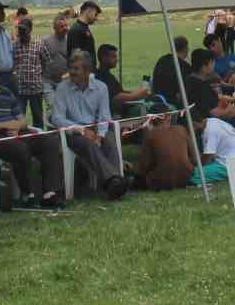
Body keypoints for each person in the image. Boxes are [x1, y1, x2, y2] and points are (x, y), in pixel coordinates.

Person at [49, 51, 128, 200]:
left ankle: (114, 183)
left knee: (109, 140)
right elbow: (57, 118)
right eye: (71, 68)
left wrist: (100, 135)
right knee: (87, 144)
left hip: (96, 127)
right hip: (73, 132)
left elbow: (105, 117)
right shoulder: (62, 88)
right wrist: (81, 130)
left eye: (76, 69)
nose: (72, 72)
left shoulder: (101, 87)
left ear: (87, 71)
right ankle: (114, 181)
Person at [132, 114, 196, 191]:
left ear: (151, 119)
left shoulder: (150, 134)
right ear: (169, 117)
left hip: (160, 181)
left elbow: (144, 166)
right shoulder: (182, 129)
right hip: (186, 178)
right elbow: (195, 159)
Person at [94, 44, 150, 117]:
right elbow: (117, 98)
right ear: (103, 58)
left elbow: (119, 92)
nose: (116, 59)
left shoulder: (109, 76)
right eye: (113, 57)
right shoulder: (101, 77)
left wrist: (135, 92)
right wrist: (136, 95)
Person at [13, 18, 47, 127]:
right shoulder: (14, 45)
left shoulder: (39, 44)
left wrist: (40, 76)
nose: (22, 32)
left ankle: (39, 140)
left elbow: (46, 61)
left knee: (38, 117)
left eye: (24, 30)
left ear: (30, 29)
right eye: (20, 30)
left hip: (36, 88)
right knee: (19, 118)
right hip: (20, 89)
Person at [150, 36, 189, 109]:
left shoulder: (162, 60)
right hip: (173, 104)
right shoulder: (185, 67)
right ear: (185, 49)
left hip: (157, 99)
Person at [37, 14, 71, 89]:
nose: (65, 28)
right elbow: (38, 60)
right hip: (48, 81)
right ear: (54, 28)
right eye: (62, 26)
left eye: (66, 25)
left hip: (65, 81)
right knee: (51, 101)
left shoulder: (70, 41)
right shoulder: (45, 41)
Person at [67, 1, 101, 66]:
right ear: (88, 11)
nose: (96, 18)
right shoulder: (77, 29)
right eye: (95, 14)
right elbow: (75, 56)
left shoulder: (84, 28)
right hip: (82, 74)